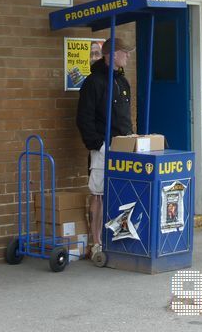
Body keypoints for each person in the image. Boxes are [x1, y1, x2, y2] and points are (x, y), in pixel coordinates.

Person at [76, 37, 133, 257]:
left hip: (123, 145)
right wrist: (97, 144)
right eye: (124, 52)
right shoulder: (94, 82)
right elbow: (84, 118)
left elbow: (125, 116)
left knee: (121, 191)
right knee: (98, 194)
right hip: (102, 147)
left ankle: (118, 237)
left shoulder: (122, 81)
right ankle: (96, 243)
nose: (128, 56)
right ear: (112, 54)